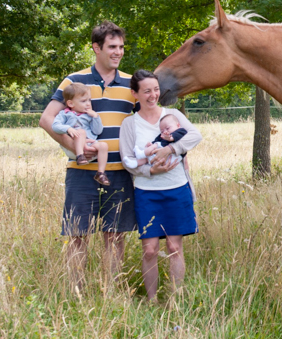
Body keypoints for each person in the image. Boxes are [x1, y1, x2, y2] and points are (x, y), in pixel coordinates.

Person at [39, 21, 137, 293]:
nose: (118, 52)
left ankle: (112, 292)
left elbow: (147, 122)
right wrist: (73, 146)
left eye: (121, 47)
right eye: (112, 47)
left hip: (119, 172)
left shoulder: (132, 84)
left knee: (115, 236)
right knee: (76, 235)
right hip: (81, 173)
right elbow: (46, 119)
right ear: (96, 48)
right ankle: (77, 293)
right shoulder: (74, 81)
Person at [120, 70, 202, 301]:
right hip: (147, 193)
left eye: (155, 89)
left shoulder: (172, 115)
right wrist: (151, 170)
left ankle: (175, 298)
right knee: (150, 250)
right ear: (135, 94)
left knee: (174, 248)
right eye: (146, 91)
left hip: (176, 189)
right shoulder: (129, 124)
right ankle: (153, 299)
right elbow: (127, 160)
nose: (153, 95)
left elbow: (195, 136)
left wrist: (170, 149)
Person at [51, 83, 111, 186]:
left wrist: (96, 117)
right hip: (74, 146)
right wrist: (68, 128)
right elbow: (55, 126)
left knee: (103, 145)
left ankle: (100, 173)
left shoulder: (88, 116)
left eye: (89, 100)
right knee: (81, 131)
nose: (88, 104)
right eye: (83, 101)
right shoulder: (64, 114)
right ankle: (80, 156)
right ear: (70, 103)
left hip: (90, 143)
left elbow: (97, 131)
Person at [123, 114, 187, 170]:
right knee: (147, 159)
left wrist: (170, 138)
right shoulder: (163, 135)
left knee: (157, 145)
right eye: (162, 131)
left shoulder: (181, 131)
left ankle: (141, 153)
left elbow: (175, 137)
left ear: (178, 125)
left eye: (167, 128)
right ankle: (135, 163)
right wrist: (151, 144)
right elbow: (157, 139)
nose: (165, 131)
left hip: (174, 158)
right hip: (162, 159)